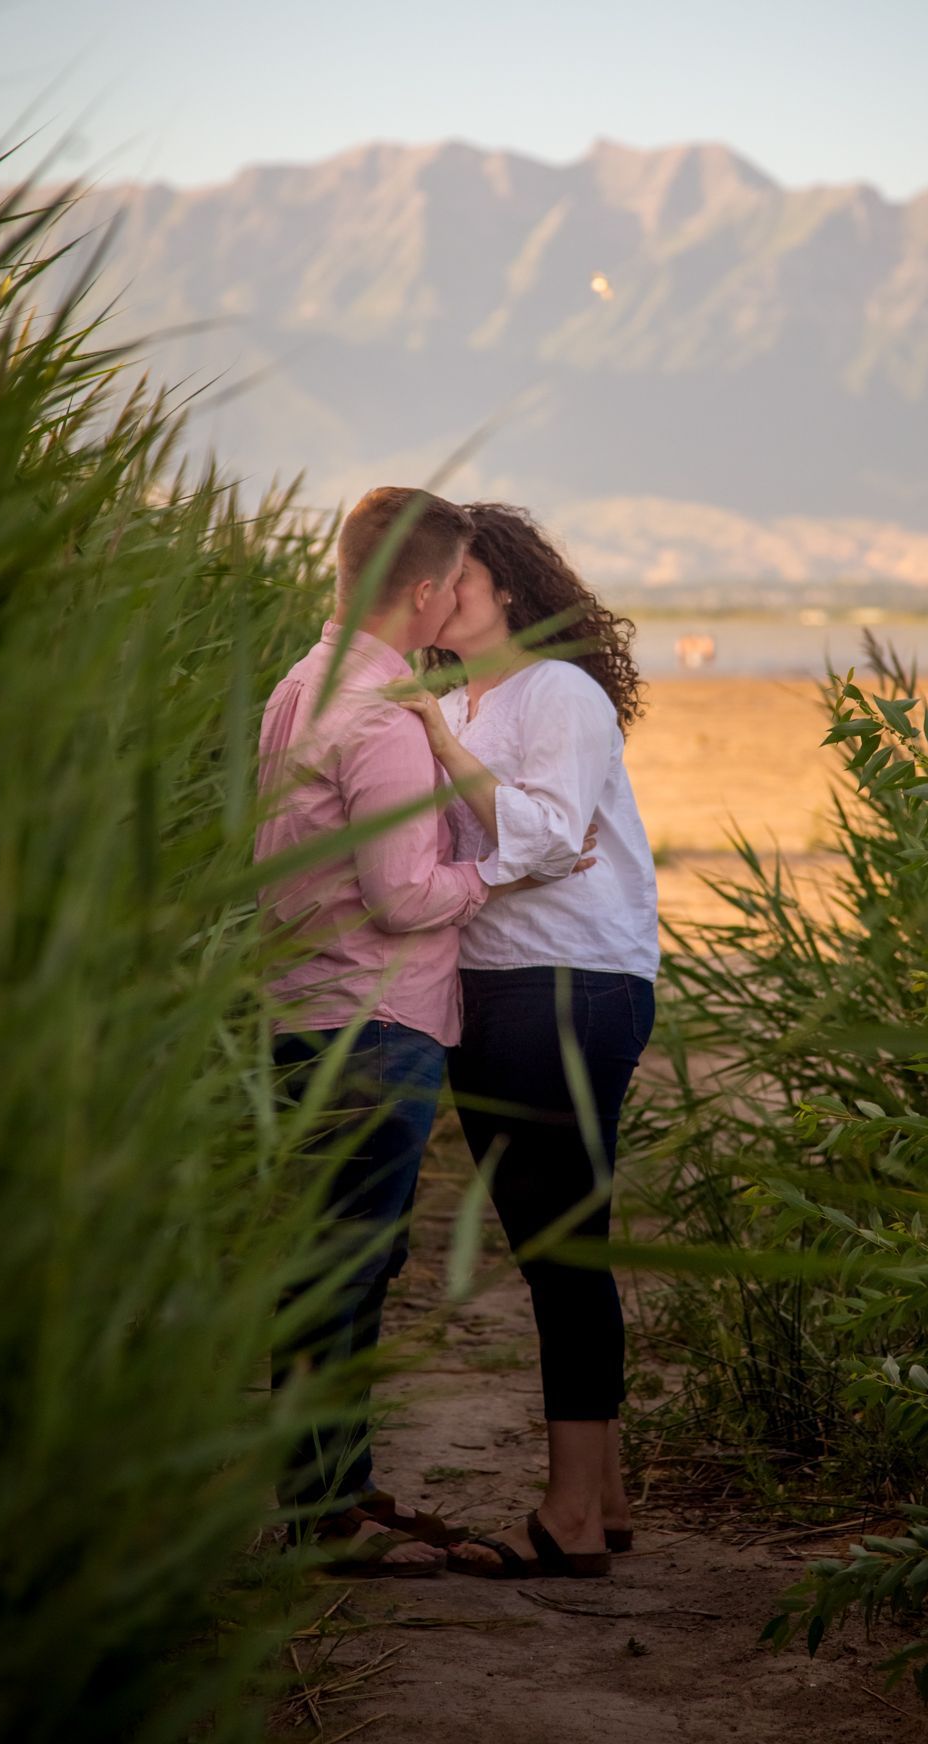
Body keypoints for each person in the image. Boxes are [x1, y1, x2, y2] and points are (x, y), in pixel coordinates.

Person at [255, 486, 593, 1574]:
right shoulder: (384, 714)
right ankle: (327, 1516)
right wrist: (498, 867)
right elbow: (402, 895)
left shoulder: (299, 688)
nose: (459, 599)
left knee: (327, 1263)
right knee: (350, 1265)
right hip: (376, 1015)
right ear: (423, 588)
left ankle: (321, 1499)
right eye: (453, 581)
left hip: (305, 1011)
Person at [396, 502, 659, 1582]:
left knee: (557, 1237)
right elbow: (514, 841)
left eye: (457, 571)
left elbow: (548, 834)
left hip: (567, 977)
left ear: (506, 583)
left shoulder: (560, 691)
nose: (437, 589)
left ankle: (571, 1515)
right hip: (498, 982)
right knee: (563, 1229)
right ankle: (602, 1491)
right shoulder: (460, 697)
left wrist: (445, 747)